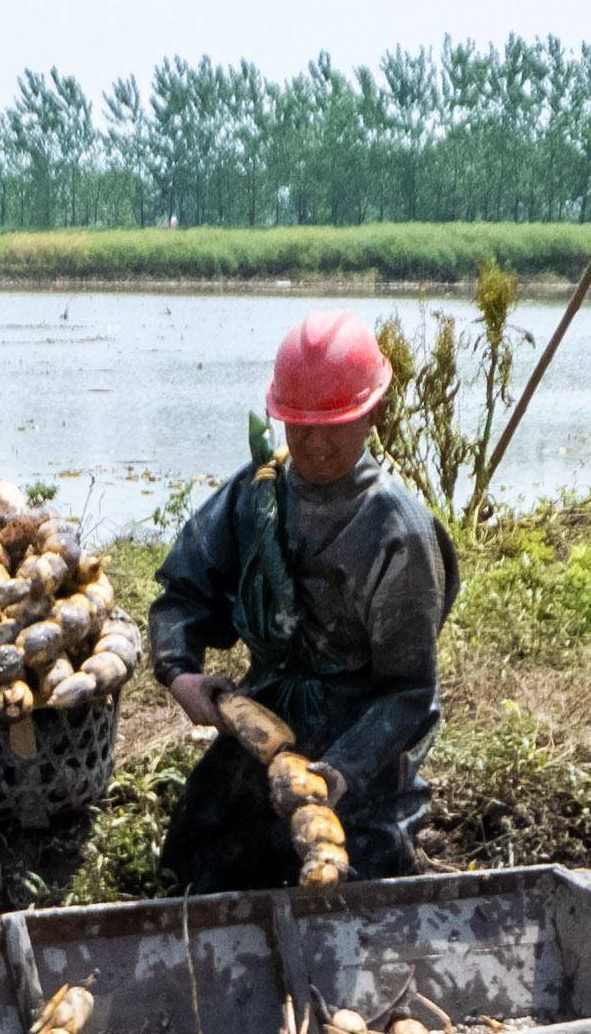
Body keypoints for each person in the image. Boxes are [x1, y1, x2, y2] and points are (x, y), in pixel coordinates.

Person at [149, 311, 455, 889]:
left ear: (372, 415)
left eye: (333, 425)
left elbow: (410, 690)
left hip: (358, 742)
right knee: (191, 868)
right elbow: (185, 591)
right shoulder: (256, 495)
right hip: (267, 719)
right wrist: (180, 671)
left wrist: (343, 771)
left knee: (347, 881)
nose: (314, 443)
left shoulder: (397, 529)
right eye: (298, 425)